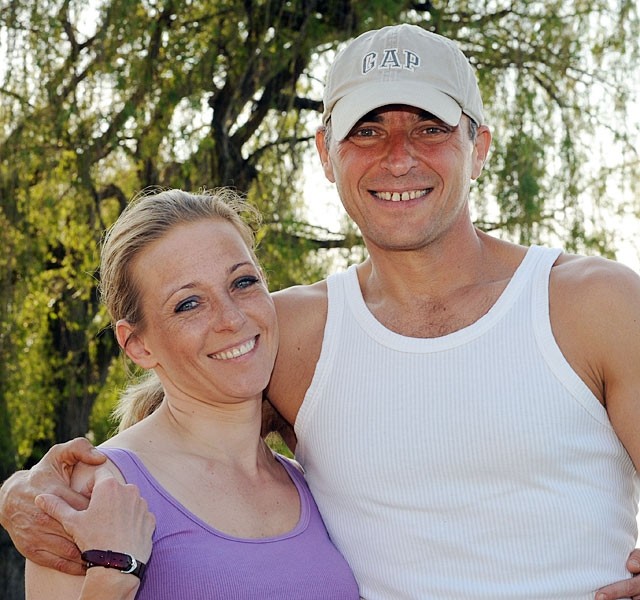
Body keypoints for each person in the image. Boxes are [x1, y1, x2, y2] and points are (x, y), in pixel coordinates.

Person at [1, 23, 640, 599]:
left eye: (430, 127)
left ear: (479, 146)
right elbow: (185, 433)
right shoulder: (295, 333)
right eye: (366, 130)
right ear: (325, 154)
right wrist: (26, 492)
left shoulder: (595, 303)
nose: (398, 156)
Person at [22, 188, 360, 599]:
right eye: (189, 304)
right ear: (138, 345)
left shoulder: (313, 484)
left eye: (243, 282)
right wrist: (113, 572)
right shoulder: (95, 491)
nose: (232, 318)